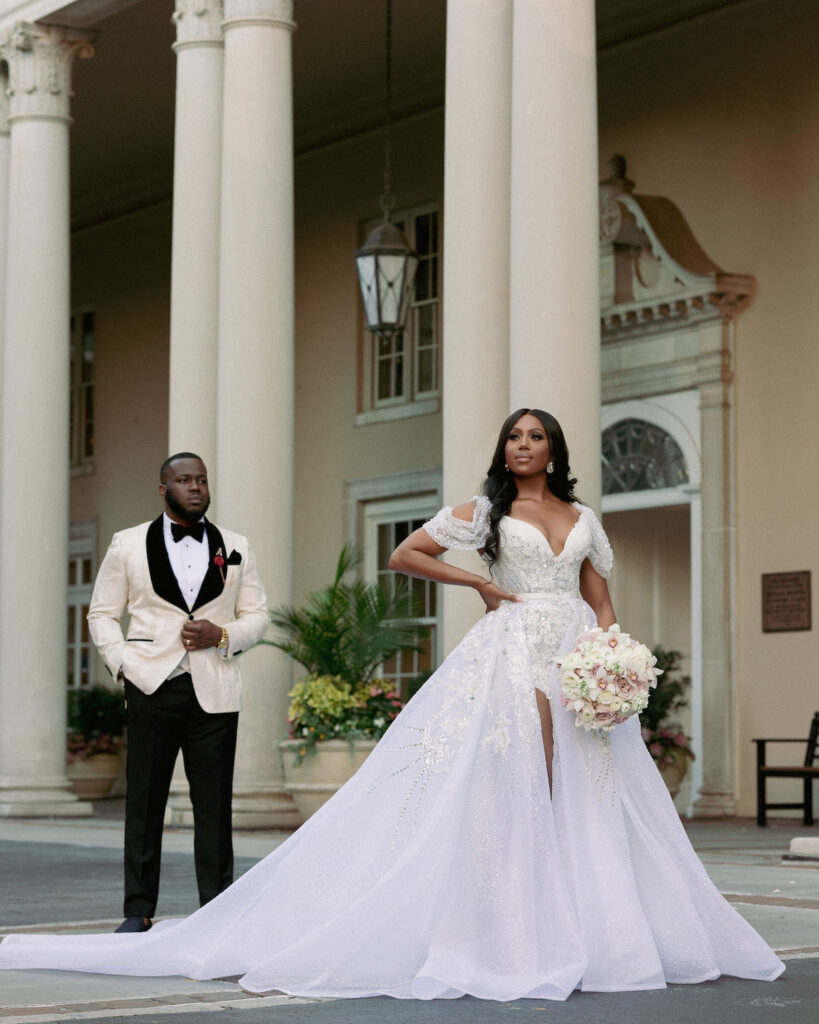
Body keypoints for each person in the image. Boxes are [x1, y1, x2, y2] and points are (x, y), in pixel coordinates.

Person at [0, 414, 783, 999]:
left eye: (535, 436)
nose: (521, 446)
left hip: (574, 655)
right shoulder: (485, 511)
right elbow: (407, 552)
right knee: (512, 781)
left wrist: (611, 659)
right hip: (509, 650)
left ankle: (593, 922)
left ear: (554, 451)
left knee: (584, 786)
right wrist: (477, 584)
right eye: (512, 436)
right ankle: (505, 924)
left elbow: (600, 596)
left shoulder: (583, 520)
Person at [85, 452, 269, 933]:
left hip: (215, 690)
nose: (195, 487)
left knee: (214, 806)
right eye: (184, 480)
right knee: (143, 802)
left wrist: (222, 636)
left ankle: (217, 911)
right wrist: (123, 662)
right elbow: (101, 613)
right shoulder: (126, 545)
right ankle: (137, 909)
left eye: (201, 480)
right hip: (151, 685)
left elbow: (258, 616)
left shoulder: (235, 546)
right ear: (163, 489)